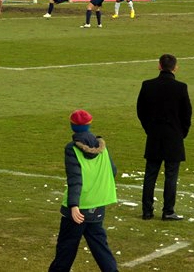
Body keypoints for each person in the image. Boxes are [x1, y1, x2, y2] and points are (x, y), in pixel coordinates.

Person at [47, 109, 118, 272]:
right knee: (101, 248)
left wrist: (73, 205)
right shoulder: (102, 146)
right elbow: (112, 171)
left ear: (73, 126)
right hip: (98, 204)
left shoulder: (72, 148)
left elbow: (75, 179)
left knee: (66, 249)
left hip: (78, 207)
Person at [136, 54, 192, 221]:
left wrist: (149, 129)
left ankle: (147, 211)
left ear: (159, 66)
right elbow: (187, 114)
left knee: (150, 173)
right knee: (171, 175)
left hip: (154, 135)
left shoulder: (148, 85)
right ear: (175, 67)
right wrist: (182, 133)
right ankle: (168, 211)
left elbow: (141, 111)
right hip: (174, 136)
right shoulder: (181, 87)